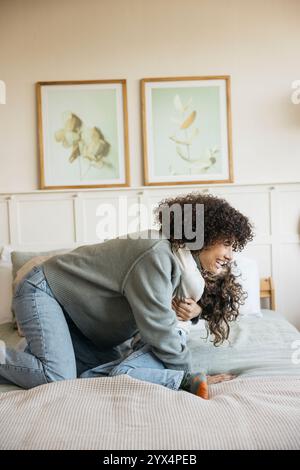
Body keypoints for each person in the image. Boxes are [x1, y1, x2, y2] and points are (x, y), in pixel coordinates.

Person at [0, 193, 253, 393]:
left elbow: (172, 313)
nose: (230, 255)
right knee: (56, 377)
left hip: (83, 326)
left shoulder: (185, 268)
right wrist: (187, 376)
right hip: (45, 291)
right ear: (206, 235)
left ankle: (38, 349)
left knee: (93, 376)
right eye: (227, 244)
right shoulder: (157, 254)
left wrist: (196, 313)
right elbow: (158, 328)